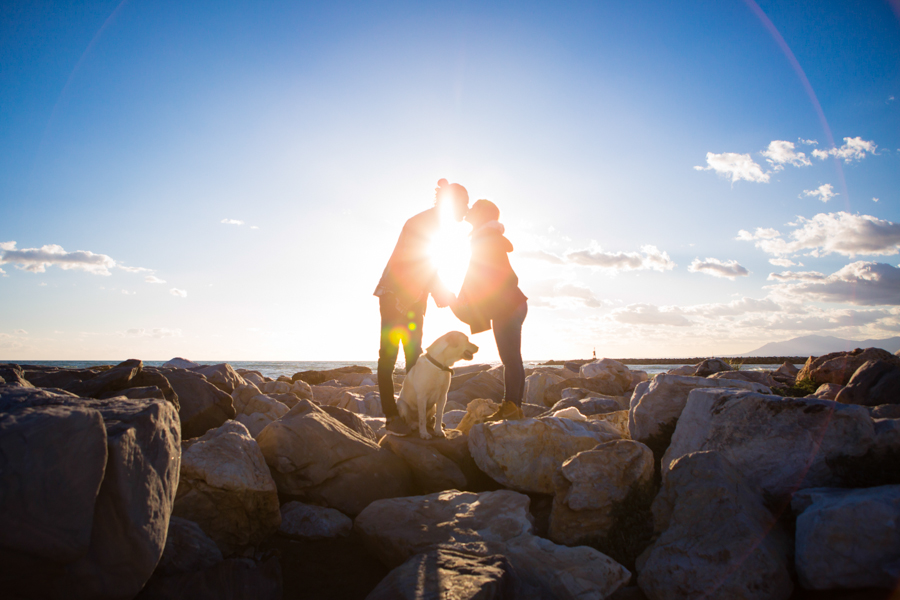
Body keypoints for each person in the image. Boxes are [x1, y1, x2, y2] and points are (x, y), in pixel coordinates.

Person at [374, 179, 469, 434]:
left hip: (415, 301)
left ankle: (420, 417)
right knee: (389, 356)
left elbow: (431, 269)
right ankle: (392, 417)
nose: (466, 209)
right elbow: (422, 266)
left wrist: (449, 299)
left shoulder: (440, 226)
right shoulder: (423, 223)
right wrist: (451, 300)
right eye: (464, 203)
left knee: (415, 359)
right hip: (395, 297)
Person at [451, 199, 528, 421]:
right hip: (510, 305)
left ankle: (512, 408)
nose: (469, 209)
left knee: (511, 359)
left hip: (508, 306)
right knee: (512, 359)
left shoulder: (487, 239)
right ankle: (513, 407)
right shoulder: (484, 238)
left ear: (482, 215)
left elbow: (500, 277)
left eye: (474, 207)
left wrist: (462, 301)